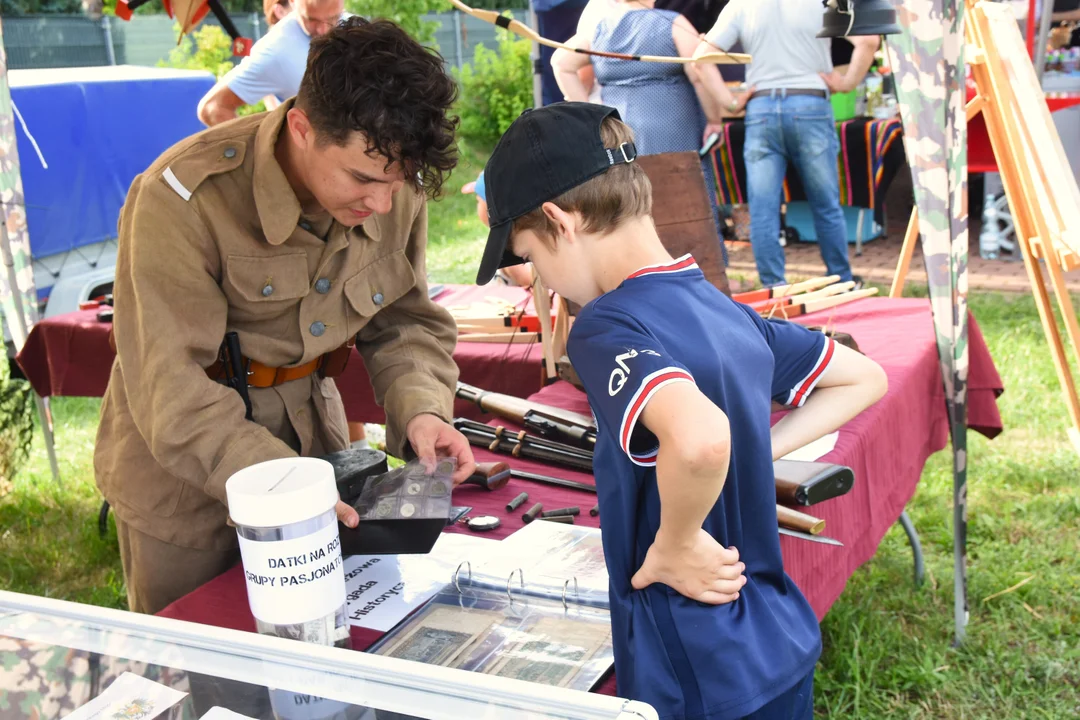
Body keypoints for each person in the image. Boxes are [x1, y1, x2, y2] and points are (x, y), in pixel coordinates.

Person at [474, 102, 888, 719]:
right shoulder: (723, 309)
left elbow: (698, 439)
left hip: (695, 661)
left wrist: (675, 541)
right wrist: (757, 450)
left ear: (561, 221)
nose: (543, 281)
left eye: (531, 256)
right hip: (773, 637)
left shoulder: (606, 326)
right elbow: (863, 378)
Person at [96, 17, 476, 616]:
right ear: (301, 126)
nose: (382, 203)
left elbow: (404, 322)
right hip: (183, 478)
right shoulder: (182, 199)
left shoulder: (391, 177)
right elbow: (169, 387)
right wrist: (285, 489)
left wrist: (423, 409)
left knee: (324, 643)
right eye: (363, 179)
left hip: (313, 446)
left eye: (397, 184)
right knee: (204, 667)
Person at [696, 0, 878, 288]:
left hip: (761, 108)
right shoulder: (823, 2)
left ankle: (773, 287)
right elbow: (868, 40)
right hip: (810, 104)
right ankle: (841, 279)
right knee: (825, 204)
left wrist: (729, 102)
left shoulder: (741, 4)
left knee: (763, 208)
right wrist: (846, 82)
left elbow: (702, 58)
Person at [552, 0, 745, 265]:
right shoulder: (672, 23)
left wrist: (589, 115)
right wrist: (714, 119)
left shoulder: (599, 29)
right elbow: (699, 69)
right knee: (687, 195)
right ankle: (704, 268)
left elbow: (561, 63)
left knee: (631, 204)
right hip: (674, 125)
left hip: (619, 130)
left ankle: (640, 269)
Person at [196, 0, 344, 127]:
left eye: (334, 18)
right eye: (312, 19)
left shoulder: (355, 26)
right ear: (292, 1)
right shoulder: (275, 49)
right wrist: (260, 154)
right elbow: (212, 108)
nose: (323, 30)